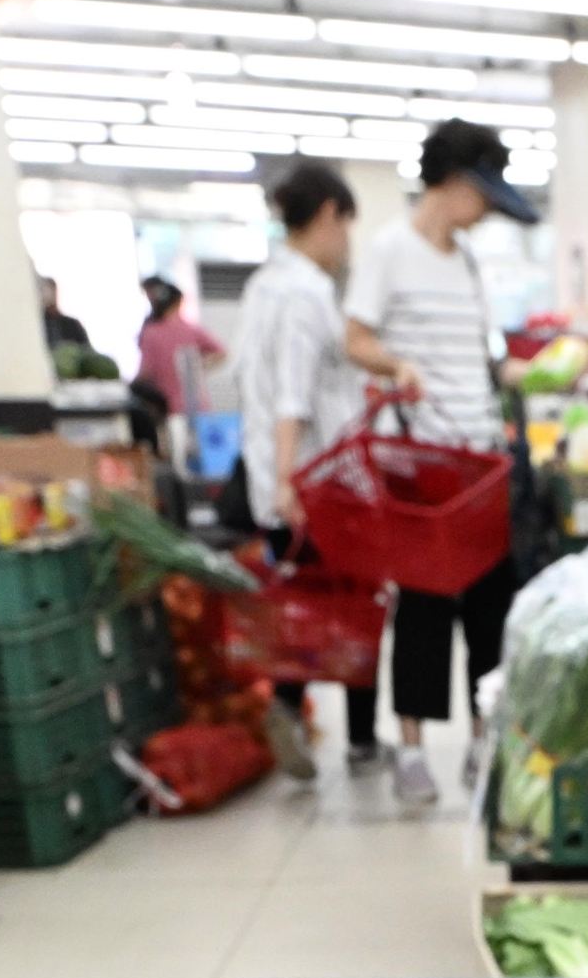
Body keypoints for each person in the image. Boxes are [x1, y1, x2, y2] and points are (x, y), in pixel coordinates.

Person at [343, 117, 535, 809]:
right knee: (424, 604)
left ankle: (485, 739)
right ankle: (413, 748)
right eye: (482, 196)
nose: (484, 213)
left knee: (491, 602)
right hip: (421, 457)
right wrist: (398, 365)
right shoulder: (389, 251)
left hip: (480, 453)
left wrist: (523, 376)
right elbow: (355, 337)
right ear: (454, 186)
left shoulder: (467, 262)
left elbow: (477, 359)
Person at [237, 162, 377, 777]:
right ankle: (357, 740)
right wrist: (292, 480)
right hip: (318, 484)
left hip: (284, 478)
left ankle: (296, 711)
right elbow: (293, 394)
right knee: (355, 608)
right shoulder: (305, 292)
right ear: (327, 215)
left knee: (305, 607)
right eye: (346, 226)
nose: (346, 242)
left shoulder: (263, 286)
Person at [134, 277, 223, 421]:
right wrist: (201, 366)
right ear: (178, 302)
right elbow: (221, 352)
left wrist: (131, 387)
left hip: (167, 409)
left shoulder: (151, 332)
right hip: (198, 407)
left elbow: (146, 372)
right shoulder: (191, 329)